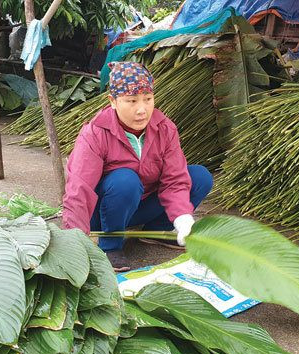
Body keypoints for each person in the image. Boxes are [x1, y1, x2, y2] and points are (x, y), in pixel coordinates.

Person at [62, 61, 213, 271]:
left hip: (141, 207)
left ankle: (159, 230)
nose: (142, 109)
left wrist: (183, 219)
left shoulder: (165, 129)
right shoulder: (95, 133)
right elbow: (80, 189)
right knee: (125, 180)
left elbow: (175, 180)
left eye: (148, 99)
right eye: (131, 101)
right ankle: (111, 246)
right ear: (113, 101)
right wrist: (73, 241)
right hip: (105, 213)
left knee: (200, 177)